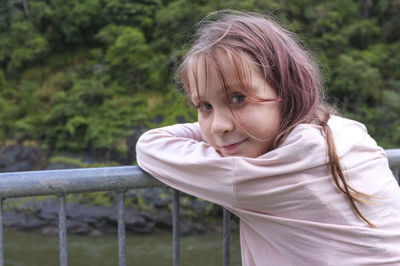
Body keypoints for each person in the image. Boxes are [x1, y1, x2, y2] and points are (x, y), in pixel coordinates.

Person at [136, 10, 400, 265]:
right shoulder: (345, 131)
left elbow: (150, 147)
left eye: (238, 98)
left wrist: (212, 126)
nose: (219, 126)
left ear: (287, 91)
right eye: (205, 106)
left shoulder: (253, 171)